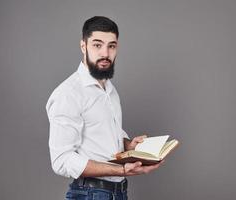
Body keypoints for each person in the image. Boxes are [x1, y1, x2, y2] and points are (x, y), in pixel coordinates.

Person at [46, 16, 162, 200]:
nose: (105, 54)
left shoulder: (109, 89)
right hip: (89, 194)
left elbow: (104, 130)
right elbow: (61, 160)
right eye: (97, 45)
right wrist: (121, 169)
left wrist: (127, 145)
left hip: (118, 192)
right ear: (83, 46)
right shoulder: (68, 94)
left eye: (112, 46)